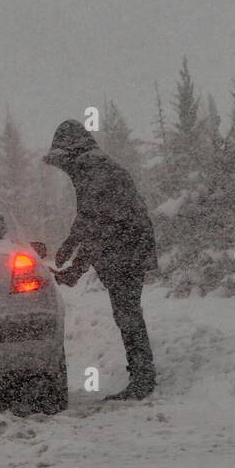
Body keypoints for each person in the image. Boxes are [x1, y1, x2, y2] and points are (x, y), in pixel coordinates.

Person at [43, 119, 157, 400]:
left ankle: (143, 379)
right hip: (128, 249)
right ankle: (142, 375)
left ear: (70, 152)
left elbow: (96, 224)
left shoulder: (93, 169)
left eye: (62, 161)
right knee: (127, 312)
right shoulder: (97, 167)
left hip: (126, 251)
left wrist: (73, 258)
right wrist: (72, 255)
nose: (63, 169)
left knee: (127, 313)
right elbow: (94, 223)